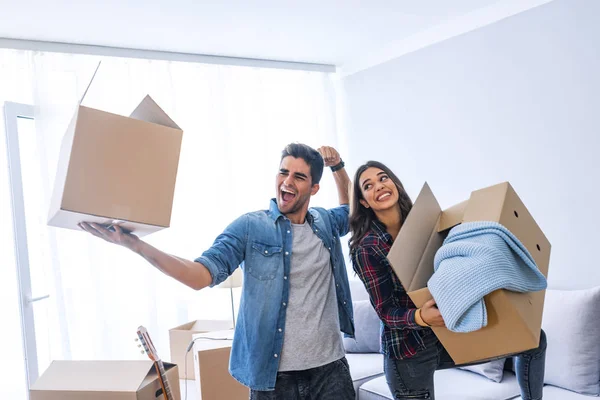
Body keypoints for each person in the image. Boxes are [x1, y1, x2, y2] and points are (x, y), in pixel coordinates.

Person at [79, 143, 356, 400]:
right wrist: (136, 245)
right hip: (273, 379)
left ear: (314, 188)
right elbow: (199, 275)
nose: (287, 181)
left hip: (329, 370)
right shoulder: (250, 227)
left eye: (299, 177)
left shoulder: (324, 222)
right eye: (283, 172)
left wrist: (339, 167)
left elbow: (350, 210)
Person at [348, 160, 546, 400]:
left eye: (383, 178)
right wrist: (421, 316)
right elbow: (386, 311)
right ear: (363, 202)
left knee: (534, 339)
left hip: (446, 332)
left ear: (394, 184)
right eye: (368, 186)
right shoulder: (368, 247)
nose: (378, 186)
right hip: (410, 352)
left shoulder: (422, 222)